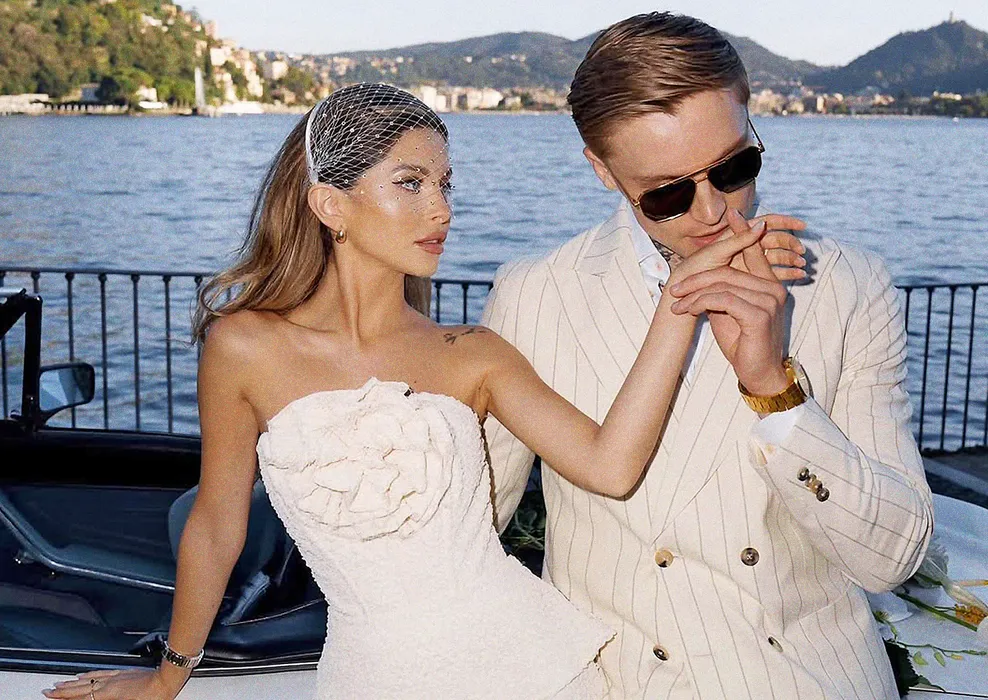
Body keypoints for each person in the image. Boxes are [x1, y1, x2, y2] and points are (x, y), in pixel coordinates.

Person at [43, 84, 804, 700]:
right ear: (330, 204)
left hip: (541, 674)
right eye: (409, 183)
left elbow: (611, 465)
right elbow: (216, 524)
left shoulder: (470, 354)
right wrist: (170, 675)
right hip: (373, 679)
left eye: (444, 184)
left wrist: (681, 296)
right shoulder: (244, 347)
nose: (441, 209)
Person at [482, 13, 935, 700]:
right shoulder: (535, 295)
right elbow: (470, 531)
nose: (716, 212)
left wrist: (774, 389)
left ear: (752, 126)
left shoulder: (847, 284)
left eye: (734, 167)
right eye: (667, 193)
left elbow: (892, 558)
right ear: (602, 171)